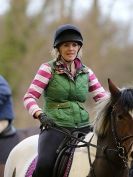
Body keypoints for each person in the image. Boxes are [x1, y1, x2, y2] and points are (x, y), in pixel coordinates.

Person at [23, 24, 107, 177]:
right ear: (58, 49)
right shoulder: (47, 69)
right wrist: (40, 115)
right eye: (66, 45)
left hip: (83, 127)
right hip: (55, 127)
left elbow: (103, 98)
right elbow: (29, 98)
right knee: (44, 164)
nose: (71, 48)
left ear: (79, 48)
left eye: (74, 44)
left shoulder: (86, 72)